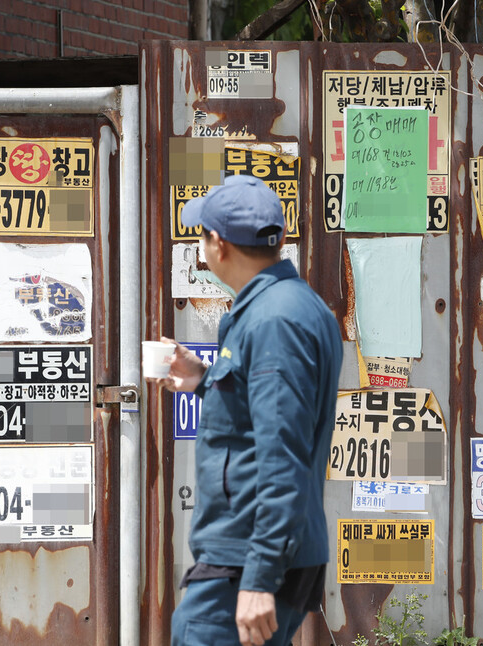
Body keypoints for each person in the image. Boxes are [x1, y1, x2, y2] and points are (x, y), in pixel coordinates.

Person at [155, 175, 343, 646]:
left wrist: (259, 576)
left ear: (218, 245)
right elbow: (263, 417)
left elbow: (283, 454)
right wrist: (203, 379)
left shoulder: (275, 319)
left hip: (247, 555)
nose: (200, 244)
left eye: (201, 233)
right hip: (261, 549)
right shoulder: (288, 306)